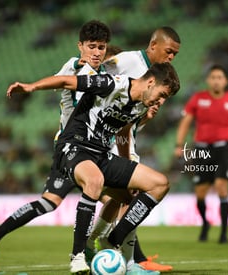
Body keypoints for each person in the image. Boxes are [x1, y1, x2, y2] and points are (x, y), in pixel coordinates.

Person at [6, 62, 180, 274]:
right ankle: (77, 255)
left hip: (101, 156)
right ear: (151, 82)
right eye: (162, 95)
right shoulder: (111, 84)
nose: (161, 102)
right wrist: (31, 87)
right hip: (75, 146)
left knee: (159, 184)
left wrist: (129, 170)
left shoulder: (141, 105)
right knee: (94, 180)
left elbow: (123, 131)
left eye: (165, 99)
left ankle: (112, 240)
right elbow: (66, 81)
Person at [0, 18, 110, 259]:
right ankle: (99, 253)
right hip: (72, 149)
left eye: (101, 47)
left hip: (91, 149)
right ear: (80, 45)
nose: (96, 52)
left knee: (50, 203)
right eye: (91, 46)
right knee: (115, 199)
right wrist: (31, 86)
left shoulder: (104, 73)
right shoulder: (72, 67)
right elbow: (60, 81)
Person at [88, 26, 180, 272]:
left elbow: (129, 122)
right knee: (132, 197)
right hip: (107, 141)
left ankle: (99, 247)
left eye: (175, 55)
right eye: (169, 52)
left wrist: (145, 117)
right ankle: (125, 260)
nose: (171, 58)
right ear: (153, 45)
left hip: (124, 139)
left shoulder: (155, 76)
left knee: (123, 200)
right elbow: (94, 75)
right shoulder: (128, 61)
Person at [174, 64, 228, 244]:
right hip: (202, 150)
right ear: (208, 80)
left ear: (225, 81)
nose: (216, 81)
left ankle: (224, 233)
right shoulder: (198, 98)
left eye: (220, 77)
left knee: (221, 186)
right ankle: (205, 223)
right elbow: (186, 121)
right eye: (213, 77)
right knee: (200, 193)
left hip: (223, 149)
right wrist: (179, 144)